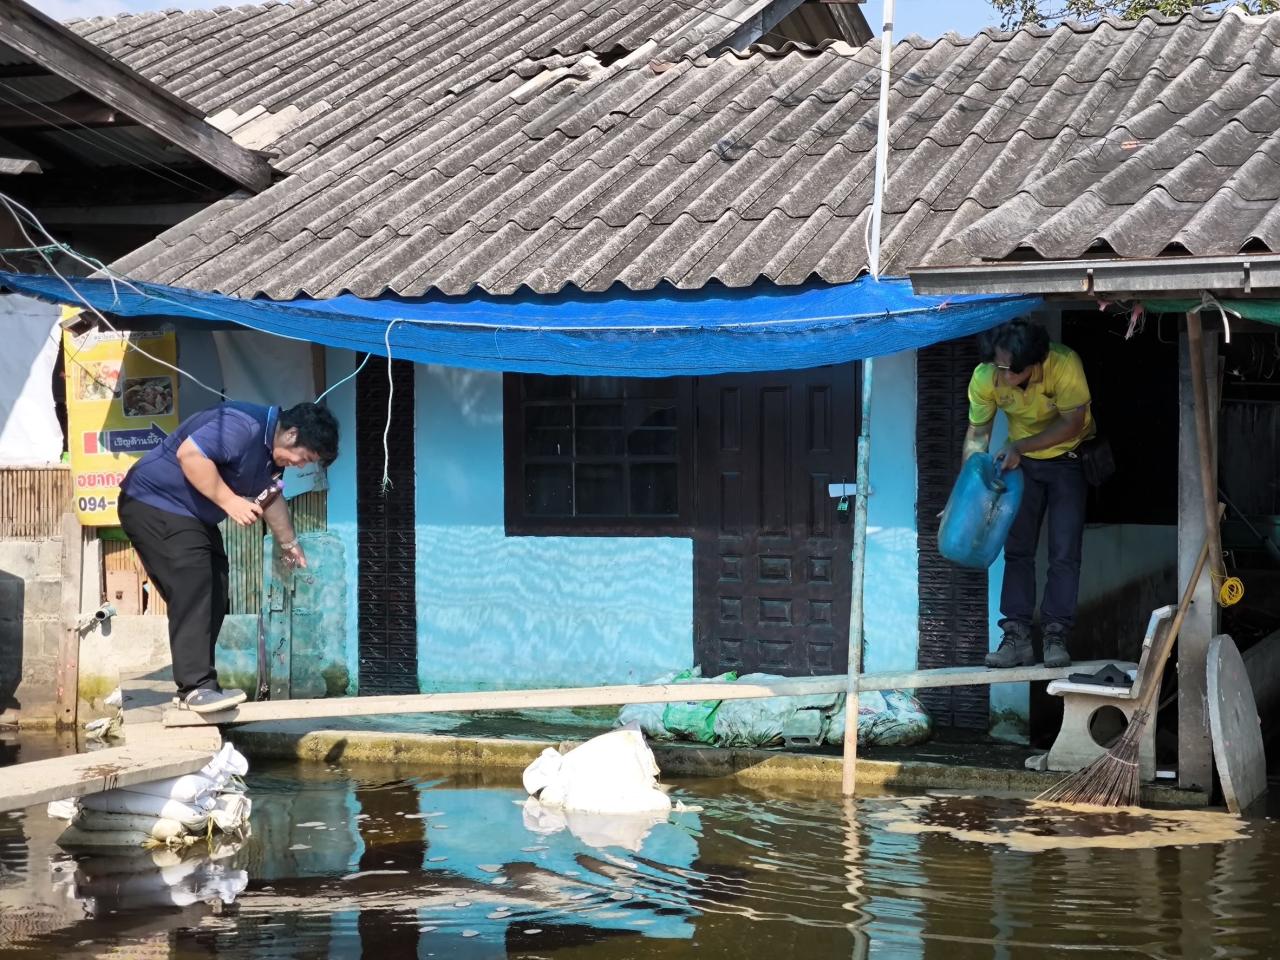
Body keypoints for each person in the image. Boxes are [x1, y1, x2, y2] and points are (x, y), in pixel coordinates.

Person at [117, 402, 339, 713]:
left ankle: (195, 688)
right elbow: (190, 455)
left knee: (217, 587)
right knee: (195, 584)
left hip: (190, 516)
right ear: (291, 435)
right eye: (304, 458)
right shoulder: (242, 425)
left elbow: (271, 495)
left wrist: (290, 544)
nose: (301, 465)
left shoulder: (272, 457)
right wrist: (230, 501)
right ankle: (195, 687)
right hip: (151, 502)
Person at [963, 319, 1094, 670]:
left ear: (1034, 365)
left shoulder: (1064, 365)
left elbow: (1073, 423)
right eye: (998, 365)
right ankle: (1016, 636)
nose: (1002, 375)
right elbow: (978, 433)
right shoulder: (986, 376)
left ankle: (1055, 634)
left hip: (1068, 458)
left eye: (1009, 369)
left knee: (1064, 552)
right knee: (1017, 549)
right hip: (1020, 465)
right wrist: (968, 493)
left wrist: (1020, 445)